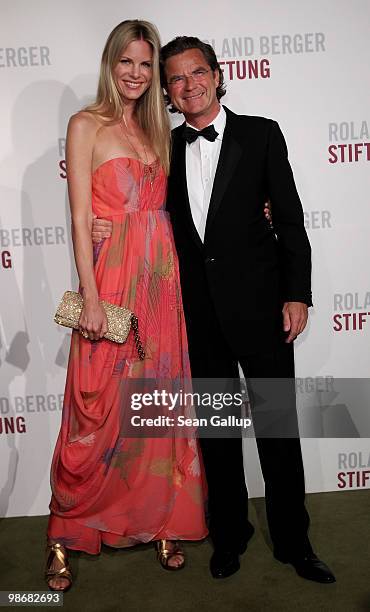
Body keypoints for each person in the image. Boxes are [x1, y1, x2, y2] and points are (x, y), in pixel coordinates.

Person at [93, 35, 335, 584]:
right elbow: (136, 208)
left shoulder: (261, 134)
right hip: (195, 317)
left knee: (277, 431)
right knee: (219, 438)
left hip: (263, 311)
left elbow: (292, 221)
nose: (188, 84)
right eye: (175, 78)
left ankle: (295, 542)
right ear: (168, 92)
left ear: (217, 74)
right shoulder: (162, 147)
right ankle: (230, 536)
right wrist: (98, 224)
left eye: (197, 72)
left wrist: (297, 294)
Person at [46, 22, 208, 591]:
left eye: (146, 64)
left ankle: (160, 519)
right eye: (127, 62)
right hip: (111, 281)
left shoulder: (158, 129)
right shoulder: (85, 124)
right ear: (110, 63)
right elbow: (77, 217)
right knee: (96, 407)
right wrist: (89, 295)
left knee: (158, 406)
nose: (137, 74)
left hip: (162, 286)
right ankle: (65, 533)